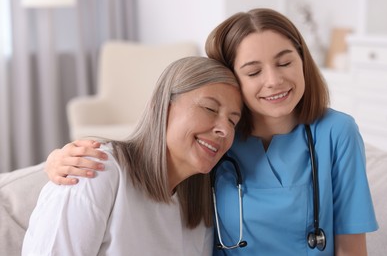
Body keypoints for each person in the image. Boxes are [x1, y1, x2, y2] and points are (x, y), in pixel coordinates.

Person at [43, 8, 378, 255]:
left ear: (303, 61)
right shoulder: (218, 144)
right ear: (233, 79)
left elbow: (352, 247)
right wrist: (57, 160)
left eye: (285, 62)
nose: (274, 81)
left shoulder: (338, 132)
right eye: (253, 71)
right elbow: (150, 156)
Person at [22, 56, 243, 255]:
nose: (225, 129)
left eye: (233, 121)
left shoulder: (198, 210)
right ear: (162, 107)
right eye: (210, 109)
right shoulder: (95, 170)